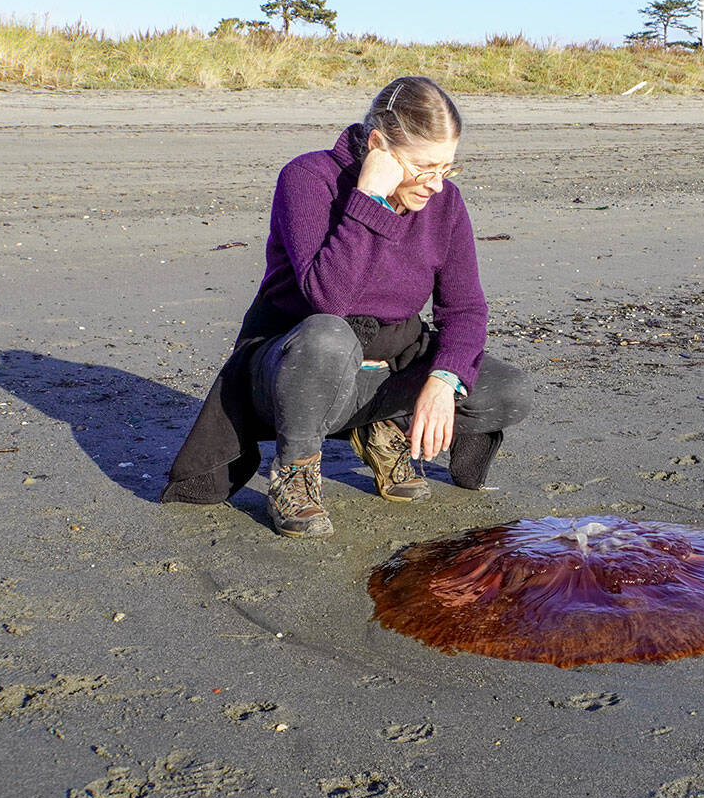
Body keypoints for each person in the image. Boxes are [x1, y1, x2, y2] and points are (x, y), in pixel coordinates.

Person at [160, 76, 532, 536]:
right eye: (425, 168)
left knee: (507, 390)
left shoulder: (446, 203)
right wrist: (369, 200)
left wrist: (443, 379)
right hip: (293, 366)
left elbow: (466, 309)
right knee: (329, 338)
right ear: (379, 146)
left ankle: (380, 428)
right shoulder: (308, 179)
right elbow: (328, 299)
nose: (436, 185)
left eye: (448, 168)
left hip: (384, 364)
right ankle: (294, 473)